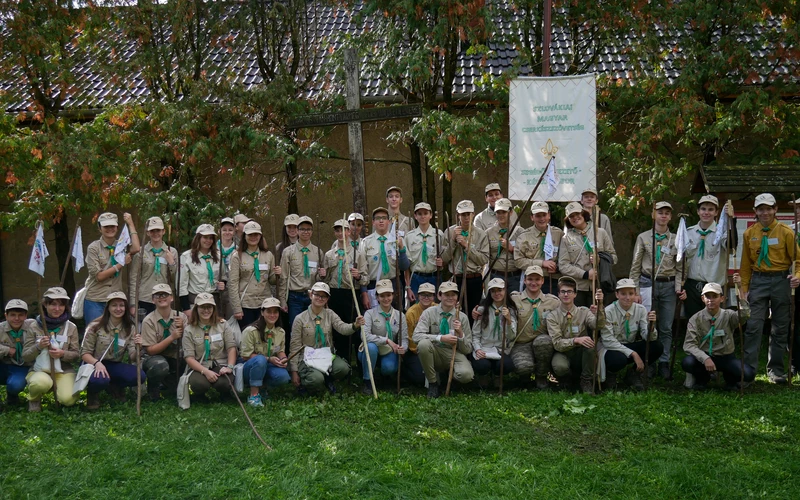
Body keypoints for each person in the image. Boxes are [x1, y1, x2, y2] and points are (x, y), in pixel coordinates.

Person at [741, 193, 800, 383]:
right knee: (753, 326)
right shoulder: (749, 233)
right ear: (755, 211)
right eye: (761, 209)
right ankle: (748, 371)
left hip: (781, 280)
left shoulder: (786, 232)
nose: (765, 212)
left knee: (780, 327)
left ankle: (775, 370)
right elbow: (745, 264)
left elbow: (798, 260)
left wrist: (797, 276)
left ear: (775, 209)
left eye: (768, 208)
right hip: (758, 281)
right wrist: (744, 287)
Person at [629, 201, 686, 380]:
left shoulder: (677, 238)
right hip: (647, 283)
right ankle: (650, 361)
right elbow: (635, 265)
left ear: (670, 217)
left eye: (667, 213)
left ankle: (664, 361)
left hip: (669, 285)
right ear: (654, 214)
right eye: (660, 212)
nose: (663, 216)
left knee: (667, 327)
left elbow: (681, 267)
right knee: (648, 325)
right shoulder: (643, 237)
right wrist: (635, 290)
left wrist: (678, 288)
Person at [288, 282, 365, 394]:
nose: (320, 298)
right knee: (316, 379)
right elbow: (294, 346)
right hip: (307, 358)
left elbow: (342, 328)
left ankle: (327, 379)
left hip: (325, 355)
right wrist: (294, 371)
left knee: (343, 368)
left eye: (324, 296)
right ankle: (309, 384)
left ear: (327, 298)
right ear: (310, 295)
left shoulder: (330, 314)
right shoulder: (300, 319)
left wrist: (355, 325)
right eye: (317, 294)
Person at [682, 280, 755, 390]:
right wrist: (705, 358)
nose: (711, 300)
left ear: (722, 298)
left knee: (748, 374)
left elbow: (743, 315)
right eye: (708, 296)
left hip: (725, 357)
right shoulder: (696, 319)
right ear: (703, 299)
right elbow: (689, 345)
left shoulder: (729, 315)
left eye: (714, 296)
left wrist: (740, 288)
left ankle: (729, 379)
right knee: (687, 362)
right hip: (705, 357)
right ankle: (703, 378)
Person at [80, 292, 145, 410]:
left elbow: (132, 356)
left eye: (122, 305)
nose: (118, 309)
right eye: (114, 305)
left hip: (114, 364)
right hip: (94, 363)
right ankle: (93, 393)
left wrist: (138, 348)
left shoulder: (130, 328)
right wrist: (97, 363)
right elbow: (84, 353)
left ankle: (115, 386)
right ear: (108, 308)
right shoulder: (95, 326)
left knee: (139, 376)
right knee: (100, 380)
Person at [412, 281, 474, 398]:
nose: (450, 298)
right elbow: (416, 336)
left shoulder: (462, 317)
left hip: (453, 353)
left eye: (453, 294)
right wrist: (440, 338)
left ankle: (450, 378)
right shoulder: (429, 313)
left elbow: (467, 349)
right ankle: (433, 383)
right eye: (446, 294)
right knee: (423, 344)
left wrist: (460, 333)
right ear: (439, 296)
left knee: (466, 375)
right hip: (435, 351)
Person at [683, 196, 737, 321]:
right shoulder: (689, 232)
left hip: (714, 286)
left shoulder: (722, 231)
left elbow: (732, 245)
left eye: (711, 209)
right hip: (692, 285)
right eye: (703, 209)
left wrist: (732, 220)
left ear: (716, 212)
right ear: (698, 211)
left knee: (714, 321)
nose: (706, 212)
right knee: (693, 321)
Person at [600, 279, 661, 390]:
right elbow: (608, 341)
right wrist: (633, 354)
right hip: (613, 348)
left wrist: (651, 327)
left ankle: (633, 374)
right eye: (623, 294)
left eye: (631, 293)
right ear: (616, 294)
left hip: (629, 344)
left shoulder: (641, 309)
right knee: (618, 360)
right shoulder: (608, 311)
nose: (627, 298)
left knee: (656, 346)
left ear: (635, 294)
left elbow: (646, 336)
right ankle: (611, 374)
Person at [546, 277, 604, 394]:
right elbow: (557, 344)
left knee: (591, 347)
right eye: (563, 292)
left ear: (575, 294)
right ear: (559, 294)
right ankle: (566, 379)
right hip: (563, 352)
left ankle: (586, 380)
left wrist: (600, 307)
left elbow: (598, 325)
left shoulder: (584, 311)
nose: (566, 294)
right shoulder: (552, 316)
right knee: (560, 367)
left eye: (569, 291)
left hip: (580, 353)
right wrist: (576, 340)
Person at [25, 288, 80, 411]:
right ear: (45, 304)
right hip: (39, 370)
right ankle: (34, 398)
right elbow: (25, 356)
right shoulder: (34, 326)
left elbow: (76, 354)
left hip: (63, 370)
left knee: (68, 400)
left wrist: (62, 354)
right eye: (53, 304)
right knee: (40, 383)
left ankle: (59, 388)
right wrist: (38, 347)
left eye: (61, 305)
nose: (57, 308)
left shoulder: (71, 327)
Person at [323, 218, 367, 363]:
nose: (340, 233)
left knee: (353, 327)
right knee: (337, 328)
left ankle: (358, 362)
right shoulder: (329, 255)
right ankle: (342, 361)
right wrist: (321, 274)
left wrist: (358, 276)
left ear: (348, 232)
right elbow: (325, 279)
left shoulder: (357, 254)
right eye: (337, 230)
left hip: (351, 293)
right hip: (335, 293)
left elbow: (365, 278)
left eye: (343, 230)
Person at [84, 212, 140, 324]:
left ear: (117, 227)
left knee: (116, 332)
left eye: (112, 226)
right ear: (100, 228)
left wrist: (130, 224)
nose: (110, 229)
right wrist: (121, 263)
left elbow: (136, 248)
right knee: (94, 332)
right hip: (96, 299)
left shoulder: (121, 245)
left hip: (115, 298)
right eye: (106, 226)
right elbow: (99, 276)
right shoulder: (93, 248)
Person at [509, 265, 560, 389]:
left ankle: (541, 376)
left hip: (541, 342)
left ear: (542, 281)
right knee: (524, 368)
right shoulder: (514, 299)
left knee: (543, 342)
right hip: (521, 343)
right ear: (525, 280)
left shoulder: (553, 301)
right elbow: (495, 304)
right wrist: (479, 309)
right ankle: (525, 377)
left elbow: (568, 311)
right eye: (530, 279)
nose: (533, 283)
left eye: (537, 279)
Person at [558, 202, 616, 307]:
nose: (575, 218)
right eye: (571, 216)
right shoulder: (566, 239)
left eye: (577, 214)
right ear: (568, 219)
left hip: (599, 286)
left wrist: (600, 259)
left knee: (598, 319)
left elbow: (614, 258)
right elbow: (563, 266)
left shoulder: (600, 232)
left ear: (583, 214)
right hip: (578, 288)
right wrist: (585, 274)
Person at [182, 292, 237, 401]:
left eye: (209, 307)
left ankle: (224, 393)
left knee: (225, 382)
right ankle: (200, 395)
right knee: (199, 384)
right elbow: (189, 357)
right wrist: (205, 371)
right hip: (200, 365)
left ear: (214, 308)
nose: (206, 310)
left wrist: (229, 367)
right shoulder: (189, 329)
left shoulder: (223, 325)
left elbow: (231, 348)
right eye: (202, 307)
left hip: (220, 362)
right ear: (196, 309)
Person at [441, 200, 489, 316]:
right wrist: (453, 241)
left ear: (473, 214)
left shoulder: (480, 234)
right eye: (463, 214)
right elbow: (444, 258)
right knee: (455, 313)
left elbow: (484, 259)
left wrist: (466, 246)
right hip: (457, 278)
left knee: (473, 313)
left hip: (474, 278)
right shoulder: (449, 231)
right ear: (458, 215)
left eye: (469, 214)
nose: (466, 217)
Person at [229, 221, 280, 329]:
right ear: (245, 236)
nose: (253, 237)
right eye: (250, 234)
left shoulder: (268, 255)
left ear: (260, 236)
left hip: (264, 304)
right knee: (248, 337)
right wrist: (237, 308)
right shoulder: (237, 256)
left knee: (264, 336)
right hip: (245, 305)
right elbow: (233, 283)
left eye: (256, 234)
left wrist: (277, 274)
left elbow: (271, 280)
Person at [240, 298, 291, 407]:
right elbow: (245, 356)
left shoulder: (280, 332)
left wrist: (283, 359)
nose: (272, 315)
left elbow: (280, 351)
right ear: (262, 312)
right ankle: (253, 395)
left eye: (275, 312)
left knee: (284, 377)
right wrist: (268, 359)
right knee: (260, 359)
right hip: (249, 367)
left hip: (268, 365)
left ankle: (262, 388)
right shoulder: (250, 331)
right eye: (269, 311)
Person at [278, 215, 326, 331]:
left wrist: (322, 275)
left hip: (312, 297)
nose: (306, 232)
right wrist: (283, 300)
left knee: (312, 327)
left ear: (312, 231)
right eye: (302, 229)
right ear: (298, 231)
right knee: (296, 327)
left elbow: (320, 279)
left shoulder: (318, 252)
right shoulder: (288, 252)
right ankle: (296, 349)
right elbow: (283, 277)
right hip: (294, 297)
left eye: (308, 229)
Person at [140, 284, 187, 402]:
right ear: (153, 300)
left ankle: (170, 383)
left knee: (188, 357)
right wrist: (171, 337)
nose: (161, 297)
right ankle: (153, 387)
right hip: (154, 357)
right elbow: (150, 350)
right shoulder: (149, 320)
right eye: (157, 295)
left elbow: (189, 343)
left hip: (174, 355)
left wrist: (183, 329)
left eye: (165, 294)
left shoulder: (181, 317)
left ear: (171, 298)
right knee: (159, 366)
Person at [360, 280, 407, 394]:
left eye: (388, 295)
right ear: (377, 297)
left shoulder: (400, 315)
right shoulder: (370, 313)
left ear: (393, 296)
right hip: (371, 349)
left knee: (389, 368)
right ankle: (367, 381)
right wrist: (386, 340)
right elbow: (364, 335)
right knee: (370, 347)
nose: (386, 299)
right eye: (382, 296)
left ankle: (383, 376)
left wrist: (403, 348)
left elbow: (404, 338)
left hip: (388, 351)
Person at [359, 207, 410, 311]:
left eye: (384, 218)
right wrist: (364, 293)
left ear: (389, 221)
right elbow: (362, 270)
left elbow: (405, 266)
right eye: (378, 218)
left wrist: (401, 249)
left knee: (395, 319)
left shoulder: (397, 240)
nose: (381, 221)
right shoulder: (366, 242)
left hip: (393, 284)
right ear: (373, 222)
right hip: (373, 286)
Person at [470, 278, 518, 385]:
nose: (497, 293)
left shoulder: (510, 310)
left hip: (500, 350)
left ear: (505, 291)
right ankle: (484, 375)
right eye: (493, 291)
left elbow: (512, 336)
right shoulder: (482, 310)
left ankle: (497, 375)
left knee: (506, 365)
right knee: (482, 366)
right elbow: (475, 334)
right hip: (484, 348)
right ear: (489, 293)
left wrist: (509, 320)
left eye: (499, 290)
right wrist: (477, 349)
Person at [129, 216, 178, 316]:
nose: (155, 233)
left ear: (163, 231)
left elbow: (175, 279)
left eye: (158, 230)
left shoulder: (171, 251)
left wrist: (172, 263)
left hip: (165, 298)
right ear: (147, 232)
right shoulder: (140, 252)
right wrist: (133, 304)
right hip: (145, 298)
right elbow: (134, 279)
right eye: (152, 231)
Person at [514, 201, 564, 295]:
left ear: (549, 215)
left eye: (544, 215)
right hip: (533, 281)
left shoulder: (558, 234)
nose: (541, 219)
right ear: (532, 217)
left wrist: (556, 267)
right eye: (538, 216)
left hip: (552, 280)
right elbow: (518, 261)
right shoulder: (524, 236)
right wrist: (542, 263)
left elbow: (565, 257)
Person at [179, 224, 225, 315]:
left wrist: (223, 284)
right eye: (205, 237)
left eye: (211, 238)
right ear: (198, 238)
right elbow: (182, 285)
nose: (208, 241)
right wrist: (186, 308)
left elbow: (223, 276)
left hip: (213, 302)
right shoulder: (187, 257)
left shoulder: (219, 256)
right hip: (195, 302)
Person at [404, 202, 444, 302]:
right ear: (415, 216)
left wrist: (442, 262)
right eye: (419, 214)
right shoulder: (409, 237)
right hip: (416, 278)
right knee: (417, 310)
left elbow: (445, 257)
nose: (423, 216)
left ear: (430, 215)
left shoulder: (438, 235)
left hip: (434, 277)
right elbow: (406, 267)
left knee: (435, 308)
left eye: (425, 213)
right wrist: (408, 287)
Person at [1, 300, 37, 408]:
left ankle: (12, 395)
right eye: (12, 315)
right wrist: (6, 350)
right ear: (6, 316)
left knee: (15, 385)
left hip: (22, 366)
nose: (16, 319)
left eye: (20, 315)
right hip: (3, 364)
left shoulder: (33, 326)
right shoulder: (0, 328)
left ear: (26, 315)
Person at [485, 198, 523, 292]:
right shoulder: (489, 233)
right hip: (496, 275)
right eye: (498, 212)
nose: (501, 215)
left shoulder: (519, 232)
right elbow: (485, 255)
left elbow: (525, 255)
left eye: (504, 212)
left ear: (510, 212)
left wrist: (511, 249)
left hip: (514, 276)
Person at [403, 282, 436, 386]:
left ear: (434, 296)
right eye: (423, 295)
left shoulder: (439, 309)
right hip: (416, 351)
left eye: (429, 295)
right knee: (419, 379)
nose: (426, 297)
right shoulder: (411, 313)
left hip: (436, 349)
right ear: (418, 296)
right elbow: (410, 338)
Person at [218, 216, 237, 316]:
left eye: (230, 230)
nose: (227, 232)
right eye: (224, 230)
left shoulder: (238, 250)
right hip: (217, 289)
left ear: (234, 231)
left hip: (231, 289)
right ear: (219, 231)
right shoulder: (213, 249)